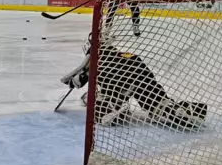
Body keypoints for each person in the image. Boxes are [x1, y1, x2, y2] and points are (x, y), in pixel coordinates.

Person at [61, 36, 206, 130]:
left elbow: (80, 79)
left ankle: (114, 106)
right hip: (137, 68)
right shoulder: (115, 53)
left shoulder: (97, 60)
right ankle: (182, 109)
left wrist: (77, 81)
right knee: (157, 104)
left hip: (117, 78)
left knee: (101, 110)